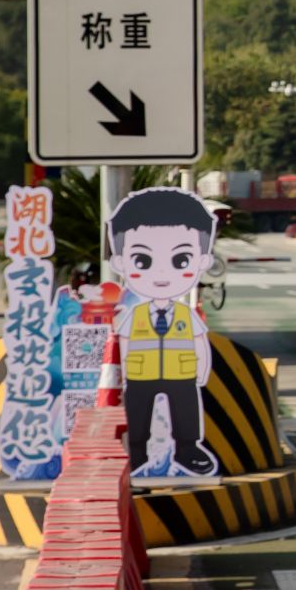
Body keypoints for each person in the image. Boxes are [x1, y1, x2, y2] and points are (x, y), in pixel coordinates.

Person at [109, 187, 218, 476]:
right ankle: (136, 452)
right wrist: (119, 376)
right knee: (137, 416)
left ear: (202, 262)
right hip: (139, 376)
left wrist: (202, 372)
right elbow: (122, 343)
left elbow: (199, 342)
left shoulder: (185, 314)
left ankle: (187, 450)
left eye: (180, 261)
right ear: (120, 263)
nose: (159, 274)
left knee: (186, 413)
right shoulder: (135, 314)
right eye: (142, 261)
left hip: (181, 375)